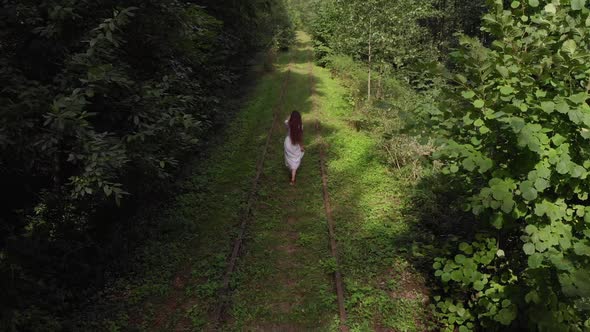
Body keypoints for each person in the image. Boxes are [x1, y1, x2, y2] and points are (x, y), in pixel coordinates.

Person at [284, 111, 304, 185]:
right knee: (295, 159)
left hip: (288, 143)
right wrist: (301, 146)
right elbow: (300, 138)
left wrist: (289, 118)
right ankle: (293, 179)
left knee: (290, 158)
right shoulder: (300, 126)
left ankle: (291, 168)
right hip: (295, 144)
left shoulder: (288, 123)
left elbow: (286, 121)